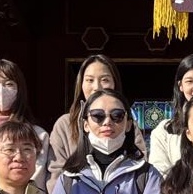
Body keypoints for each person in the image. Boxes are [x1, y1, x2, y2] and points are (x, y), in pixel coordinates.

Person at [50, 89, 161, 194]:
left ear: (128, 125)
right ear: (86, 125)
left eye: (117, 115)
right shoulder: (68, 179)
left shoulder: (147, 175)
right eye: (98, 116)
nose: (107, 122)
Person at [47, 55, 146, 186]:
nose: (97, 87)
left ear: (115, 83)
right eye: (89, 80)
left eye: (105, 80)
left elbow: (141, 164)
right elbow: (56, 174)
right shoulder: (64, 125)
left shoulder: (125, 123)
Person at [0, 59, 50, 190]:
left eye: (9, 84)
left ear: (18, 89)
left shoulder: (38, 134)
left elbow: (37, 180)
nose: (1, 90)